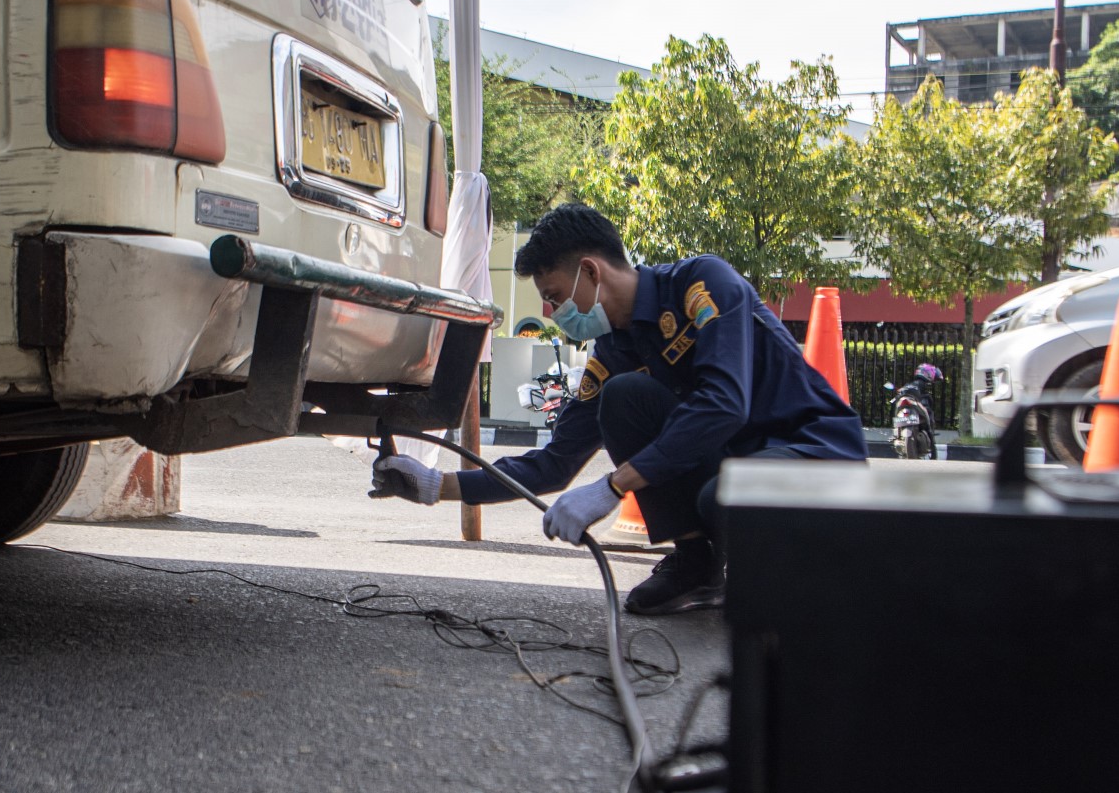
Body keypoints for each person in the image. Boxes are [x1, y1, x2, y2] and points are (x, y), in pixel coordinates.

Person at [369, 204, 866, 615]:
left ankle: (805, 586)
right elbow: (554, 462)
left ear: (590, 271)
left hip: (814, 454)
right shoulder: (613, 353)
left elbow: (724, 405)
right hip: (743, 466)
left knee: (728, 496)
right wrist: (436, 486)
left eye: (554, 296)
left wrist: (614, 486)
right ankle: (697, 566)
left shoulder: (702, 286)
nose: (550, 313)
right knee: (626, 397)